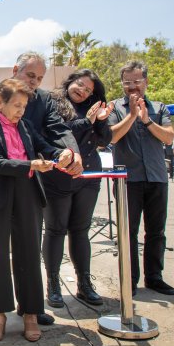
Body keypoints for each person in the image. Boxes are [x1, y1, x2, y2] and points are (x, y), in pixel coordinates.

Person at [0, 51, 81, 326]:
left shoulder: (44, 100)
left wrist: (70, 152)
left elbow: (54, 131)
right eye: (30, 76)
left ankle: (30, 306)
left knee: (28, 246)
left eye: (39, 78)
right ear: (16, 69)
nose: (35, 82)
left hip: (25, 184)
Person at [42, 70, 113, 309]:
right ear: (70, 81)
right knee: (55, 230)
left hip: (89, 176)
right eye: (80, 84)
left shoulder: (94, 108)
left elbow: (106, 140)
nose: (82, 91)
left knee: (80, 230)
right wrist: (89, 121)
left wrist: (101, 120)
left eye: (88, 90)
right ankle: (53, 284)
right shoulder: (52, 101)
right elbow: (59, 132)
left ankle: (84, 284)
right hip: (58, 177)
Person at [108, 60, 174, 296]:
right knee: (128, 232)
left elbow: (168, 138)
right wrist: (132, 115)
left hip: (157, 176)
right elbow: (112, 137)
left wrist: (146, 119)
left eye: (136, 81)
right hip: (128, 179)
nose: (132, 86)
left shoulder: (160, 108)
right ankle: (130, 279)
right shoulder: (115, 107)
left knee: (156, 231)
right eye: (127, 82)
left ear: (146, 82)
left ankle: (154, 277)